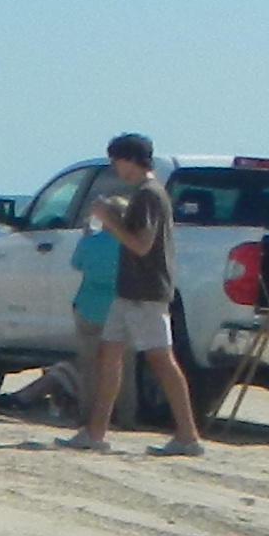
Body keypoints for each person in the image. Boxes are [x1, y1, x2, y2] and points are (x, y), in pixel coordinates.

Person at [68, 132, 206, 456]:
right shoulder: (145, 193)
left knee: (161, 360)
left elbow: (141, 245)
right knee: (109, 355)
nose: (115, 167)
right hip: (128, 289)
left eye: (116, 160)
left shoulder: (148, 195)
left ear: (129, 159)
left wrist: (109, 219)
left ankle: (188, 435)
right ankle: (95, 431)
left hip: (145, 291)